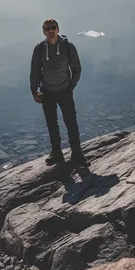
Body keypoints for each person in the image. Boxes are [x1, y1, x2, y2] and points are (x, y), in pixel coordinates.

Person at [30, 18, 90, 168]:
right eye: (47, 28)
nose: (51, 31)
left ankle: (77, 153)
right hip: (47, 92)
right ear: (44, 31)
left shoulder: (68, 47)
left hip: (65, 91)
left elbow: (77, 68)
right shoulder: (39, 49)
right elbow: (35, 71)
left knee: (71, 123)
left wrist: (71, 86)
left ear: (58, 29)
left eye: (53, 28)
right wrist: (34, 90)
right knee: (52, 124)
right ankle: (56, 153)